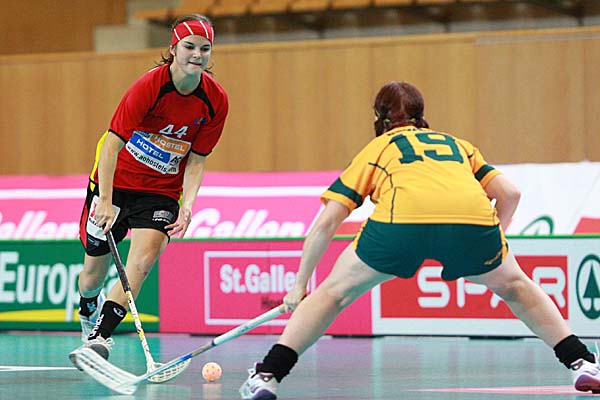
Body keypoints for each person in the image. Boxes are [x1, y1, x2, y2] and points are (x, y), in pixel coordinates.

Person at [239, 81, 600, 399]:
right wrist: (492, 243)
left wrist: (299, 285)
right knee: (517, 286)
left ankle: (268, 376)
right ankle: (582, 362)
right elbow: (510, 194)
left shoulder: (378, 148)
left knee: (332, 294)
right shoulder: (458, 145)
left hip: (400, 223)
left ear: (379, 119)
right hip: (472, 223)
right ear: (421, 115)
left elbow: (327, 222)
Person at [68, 13, 228, 364]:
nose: (197, 54)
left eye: (204, 48)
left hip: (161, 191)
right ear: (173, 48)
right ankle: (88, 307)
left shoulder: (215, 101)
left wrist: (188, 205)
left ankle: (100, 338)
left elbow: (197, 159)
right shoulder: (149, 87)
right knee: (91, 277)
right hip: (115, 183)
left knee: (141, 262)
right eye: (189, 46)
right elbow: (111, 145)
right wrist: (105, 201)